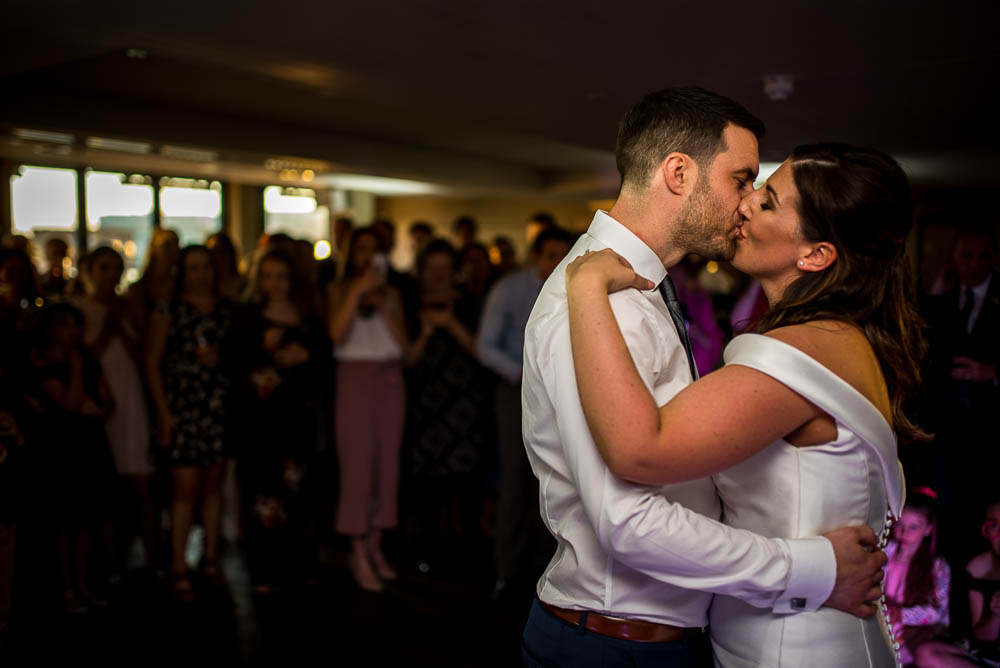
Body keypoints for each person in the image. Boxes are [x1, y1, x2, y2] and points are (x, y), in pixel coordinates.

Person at [521, 87, 891, 667]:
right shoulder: (596, 301)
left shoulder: (634, 287)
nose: (746, 203)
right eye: (742, 180)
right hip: (617, 642)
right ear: (677, 172)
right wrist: (813, 566)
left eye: (762, 194)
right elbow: (626, 519)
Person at [476, 226, 573, 613]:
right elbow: (485, 343)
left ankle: (545, 570)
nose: (556, 262)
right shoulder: (510, 289)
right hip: (515, 392)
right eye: (550, 255)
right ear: (536, 256)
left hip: (564, 397)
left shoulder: (576, 284)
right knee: (516, 480)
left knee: (554, 481)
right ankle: (507, 572)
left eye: (562, 254)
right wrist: (520, 373)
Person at [236, 249, 329, 591]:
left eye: (282, 276)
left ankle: (300, 563)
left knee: (299, 492)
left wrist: (306, 356)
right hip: (262, 423)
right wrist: (263, 350)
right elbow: (236, 363)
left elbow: (325, 360)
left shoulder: (306, 317)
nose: (275, 284)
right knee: (264, 494)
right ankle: (264, 569)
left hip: (296, 418)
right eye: (268, 276)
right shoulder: (249, 316)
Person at [145, 245, 234, 602]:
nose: (201, 274)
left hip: (216, 403)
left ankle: (211, 558)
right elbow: (151, 361)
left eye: (206, 267)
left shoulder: (226, 309)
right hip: (183, 404)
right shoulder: (168, 309)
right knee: (185, 487)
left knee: (214, 483)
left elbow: (238, 355)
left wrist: (219, 359)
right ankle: (178, 563)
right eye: (193, 268)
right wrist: (163, 413)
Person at [327, 227, 409, 593]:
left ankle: (374, 546)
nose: (366, 257)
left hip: (390, 381)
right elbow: (335, 335)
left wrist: (385, 306)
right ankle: (356, 550)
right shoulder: (338, 290)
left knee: (386, 467)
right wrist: (359, 290)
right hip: (354, 382)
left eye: (373, 251)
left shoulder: (392, 294)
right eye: (360, 250)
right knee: (357, 467)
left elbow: (405, 348)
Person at [74, 247, 157, 575]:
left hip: (131, 396)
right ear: (90, 271)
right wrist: (108, 327)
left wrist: (122, 323)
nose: (110, 276)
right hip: (99, 398)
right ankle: (108, 562)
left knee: (142, 480)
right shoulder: (81, 310)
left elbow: (143, 354)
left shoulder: (129, 308)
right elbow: (85, 356)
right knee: (104, 486)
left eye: (116, 269)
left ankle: (153, 558)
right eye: (104, 268)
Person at [921, 228, 1000, 565]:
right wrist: (934, 298)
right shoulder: (942, 299)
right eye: (966, 255)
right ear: (954, 258)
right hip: (945, 434)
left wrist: (993, 373)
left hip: (992, 434)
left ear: (994, 260)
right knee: (944, 517)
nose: (974, 264)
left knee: (986, 518)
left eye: (982, 256)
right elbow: (918, 352)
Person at [884, 489, 950, 665]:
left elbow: (938, 612)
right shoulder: (884, 554)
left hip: (913, 636)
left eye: (914, 527)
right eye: (900, 525)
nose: (904, 533)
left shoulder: (936, 567)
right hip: (882, 627)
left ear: (928, 529)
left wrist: (901, 614)